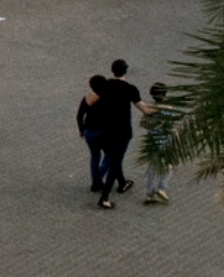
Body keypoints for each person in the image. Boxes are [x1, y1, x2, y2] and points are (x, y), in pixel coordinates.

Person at [94, 58, 149, 208]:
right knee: (116, 160)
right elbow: (144, 109)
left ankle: (122, 182)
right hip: (122, 132)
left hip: (105, 130)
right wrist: (162, 107)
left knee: (113, 157)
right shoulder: (130, 89)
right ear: (126, 71)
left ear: (112, 71)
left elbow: (92, 100)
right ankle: (104, 197)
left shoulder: (105, 86)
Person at [139, 81, 178, 205]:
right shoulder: (167, 110)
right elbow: (171, 128)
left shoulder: (149, 109)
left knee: (152, 167)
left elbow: (143, 123)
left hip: (152, 141)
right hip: (165, 142)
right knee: (169, 165)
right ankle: (162, 187)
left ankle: (149, 194)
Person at [76, 74, 109, 193]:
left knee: (95, 156)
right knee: (110, 155)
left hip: (89, 131)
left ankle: (95, 181)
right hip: (103, 132)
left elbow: (79, 115)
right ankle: (98, 178)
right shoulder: (107, 98)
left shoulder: (87, 98)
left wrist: (81, 129)